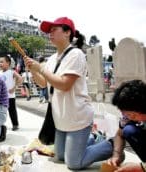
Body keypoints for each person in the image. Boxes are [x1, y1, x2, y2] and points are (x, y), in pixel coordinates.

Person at [24, 17, 113, 170]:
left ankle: (110, 145)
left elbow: (65, 85)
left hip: (77, 118)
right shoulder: (52, 59)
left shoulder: (76, 54)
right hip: (62, 120)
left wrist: (41, 69)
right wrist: (33, 71)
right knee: (60, 156)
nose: (49, 34)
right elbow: (44, 83)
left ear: (67, 32)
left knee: (73, 163)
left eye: (53, 30)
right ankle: (92, 139)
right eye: (49, 31)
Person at [106, 80, 146, 172]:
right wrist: (116, 155)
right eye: (125, 114)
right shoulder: (127, 116)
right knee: (128, 130)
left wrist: (141, 168)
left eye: (131, 114)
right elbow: (119, 134)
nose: (127, 116)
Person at [0, 56, 23, 131]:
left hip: (10, 96)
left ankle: (15, 125)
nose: (0, 64)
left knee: (12, 111)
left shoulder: (12, 72)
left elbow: (20, 78)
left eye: (2, 62)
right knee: (1, 112)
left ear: (8, 63)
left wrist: (14, 88)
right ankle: (0, 125)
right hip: (1, 97)